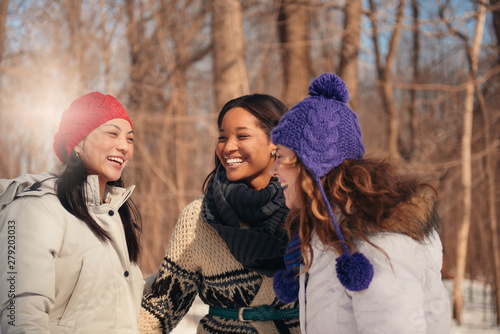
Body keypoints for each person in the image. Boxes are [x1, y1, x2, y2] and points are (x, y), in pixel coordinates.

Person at [269, 73, 451, 333]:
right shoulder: (325, 234)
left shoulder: (377, 240)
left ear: (312, 164)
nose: (273, 170)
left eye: (280, 157)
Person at [139, 94, 300, 333]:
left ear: (275, 143)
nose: (228, 147)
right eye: (222, 137)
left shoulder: (306, 212)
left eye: (242, 136)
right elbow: (161, 307)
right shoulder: (199, 217)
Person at [0, 92, 144, 333]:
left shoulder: (112, 216)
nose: (124, 146)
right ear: (77, 143)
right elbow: (19, 317)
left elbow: (109, 309)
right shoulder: (34, 210)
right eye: (112, 133)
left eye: (130, 139)